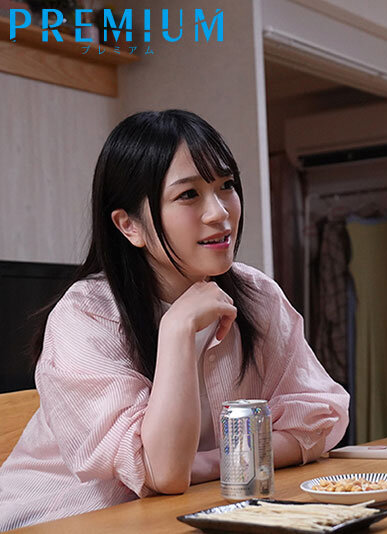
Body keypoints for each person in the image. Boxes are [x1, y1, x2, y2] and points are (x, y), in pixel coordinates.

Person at [0, 110, 349, 530]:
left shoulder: (256, 295)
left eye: (226, 186)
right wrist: (177, 329)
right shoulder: (86, 314)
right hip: (58, 518)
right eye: (188, 195)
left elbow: (318, 419)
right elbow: (163, 471)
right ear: (129, 225)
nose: (219, 213)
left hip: (190, 512)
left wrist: (206, 464)